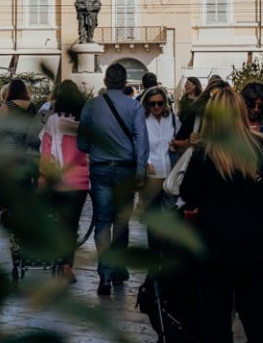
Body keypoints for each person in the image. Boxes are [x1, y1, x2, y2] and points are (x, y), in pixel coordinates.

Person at [179, 87, 263, 343]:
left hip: (216, 246)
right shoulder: (260, 146)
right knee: (258, 314)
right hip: (258, 244)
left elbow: (188, 193)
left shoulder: (205, 152)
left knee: (217, 318)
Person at [78, 62, 149, 296]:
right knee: (121, 221)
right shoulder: (134, 106)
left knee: (103, 221)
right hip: (126, 169)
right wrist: (140, 171)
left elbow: (82, 142)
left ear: (105, 81)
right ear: (125, 82)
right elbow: (141, 141)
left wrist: (95, 147)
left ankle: (105, 273)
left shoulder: (91, 106)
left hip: (100, 168)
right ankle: (118, 269)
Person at [38, 80, 89, 282]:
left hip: (58, 179)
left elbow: (46, 151)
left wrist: (43, 175)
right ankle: (67, 266)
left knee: (59, 222)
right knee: (72, 224)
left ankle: (58, 260)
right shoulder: (85, 121)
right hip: (80, 180)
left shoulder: (53, 121)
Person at [141, 86, 179, 242]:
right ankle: (154, 249)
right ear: (147, 104)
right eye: (152, 104)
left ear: (165, 103)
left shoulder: (172, 119)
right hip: (152, 174)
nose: (156, 107)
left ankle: (168, 247)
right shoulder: (143, 121)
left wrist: (177, 144)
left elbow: (181, 139)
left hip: (171, 172)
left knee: (171, 213)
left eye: (160, 103)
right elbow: (139, 145)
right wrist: (146, 162)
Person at [0, 79, 38, 214]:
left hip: (8, 146)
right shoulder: (32, 106)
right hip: (26, 146)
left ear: (10, 90)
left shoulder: (7, 105)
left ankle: (6, 206)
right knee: (24, 177)